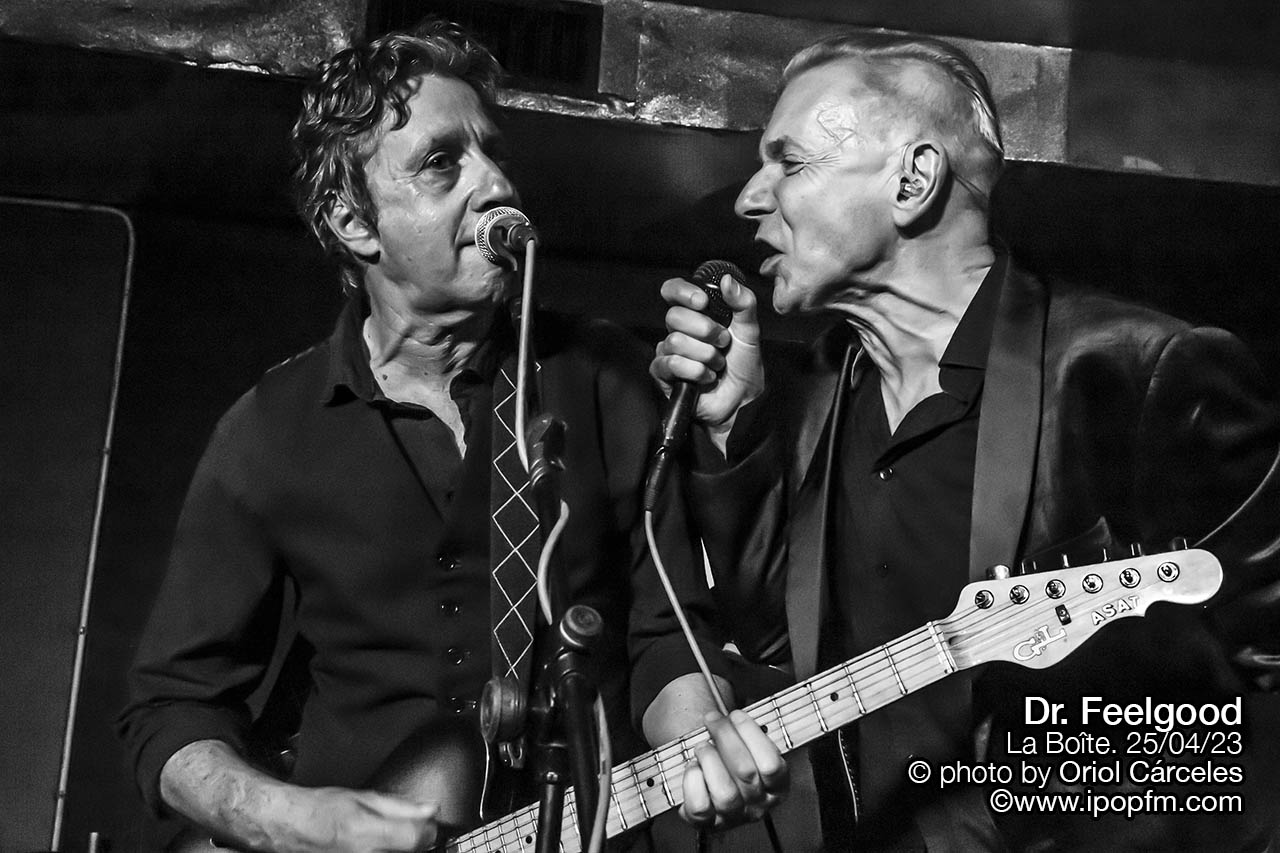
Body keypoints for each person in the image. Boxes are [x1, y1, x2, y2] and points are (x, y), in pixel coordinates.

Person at [117, 18, 784, 852]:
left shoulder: (603, 376)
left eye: (492, 153)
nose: (497, 182)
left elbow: (664, 632)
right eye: (442, 162)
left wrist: (702, 738)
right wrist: (297, 820)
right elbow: (169, 707)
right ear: (354, 222)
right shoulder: (271, 429)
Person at [651, 30, 1280, 851]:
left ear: (913, 179)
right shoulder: (819, 397)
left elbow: (1268, 683)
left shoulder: (1137, 371)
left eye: (789, 162)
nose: (747, 199)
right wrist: (734, 425)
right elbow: (782, 645)